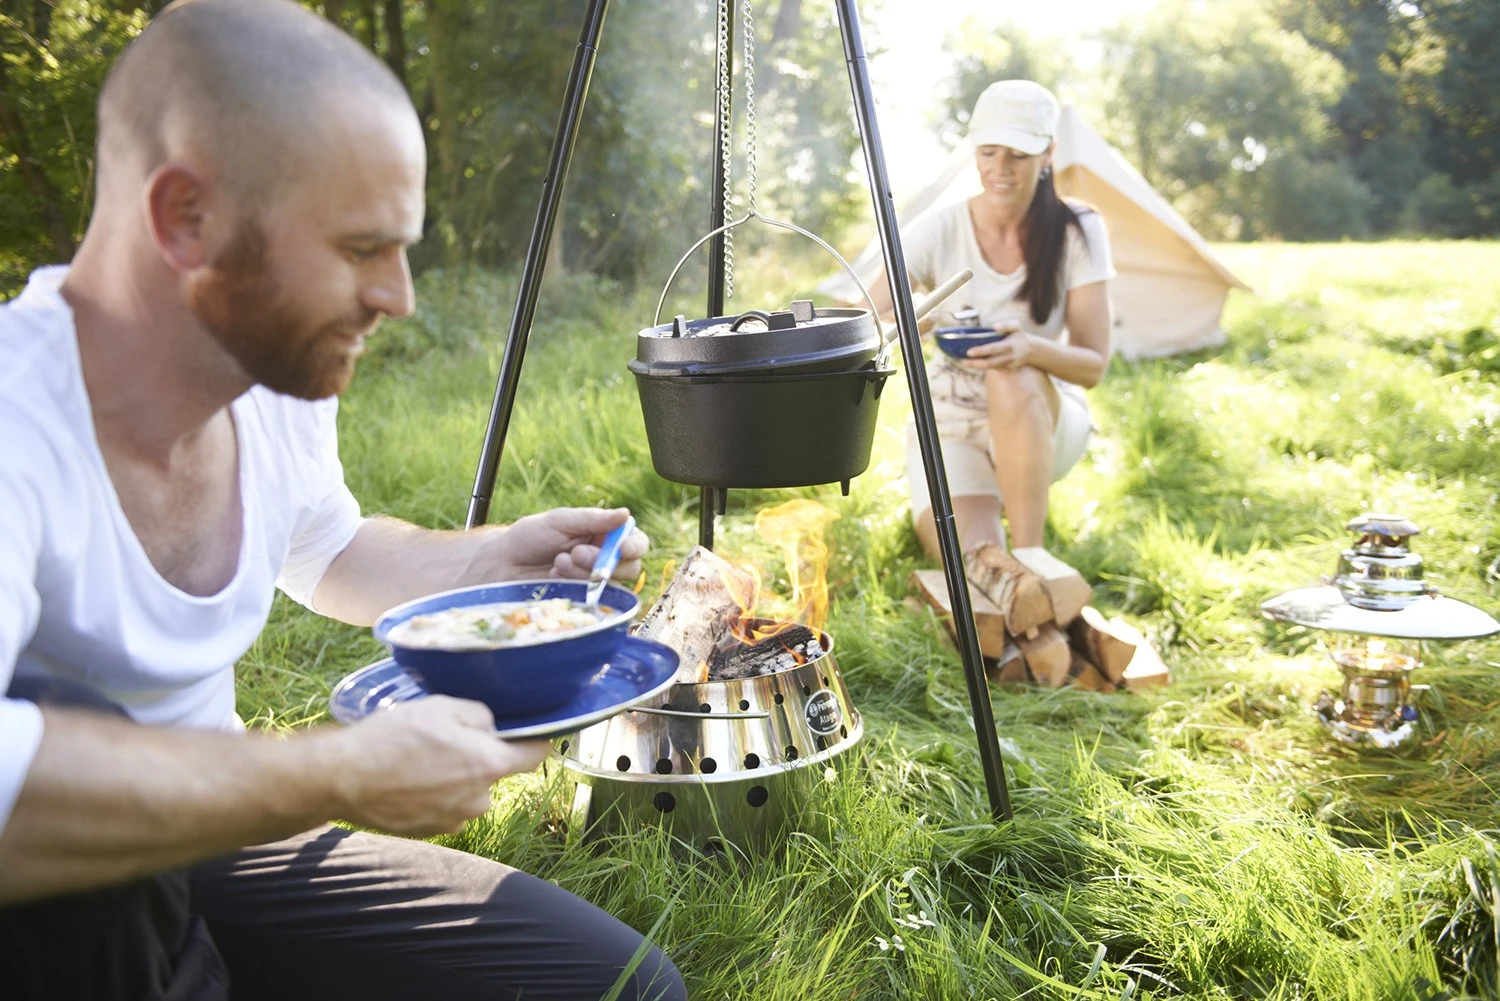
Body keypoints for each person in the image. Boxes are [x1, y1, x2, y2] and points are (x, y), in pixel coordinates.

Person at [0, 1, 685, 998]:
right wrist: (337, 771)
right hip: (55, 882)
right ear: (186, 217)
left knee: (624, 985)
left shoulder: (269, 382)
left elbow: (329, 551)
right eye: (362, 248)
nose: (399, 296)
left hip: (222, 830)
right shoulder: (15, 420)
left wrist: (490, 565)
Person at [871, 80, 1114, 563]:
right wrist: (915, 319)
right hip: (952, 423)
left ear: (1048, 154)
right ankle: (1009, 572)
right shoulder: (940, 227)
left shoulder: (1077, 230)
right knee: (975, 564)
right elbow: (867, 319)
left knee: (1010, 373)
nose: (1000, 169)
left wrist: (1030, 349)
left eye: (1018, 155)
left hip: (1039, 420)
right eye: (988, 152)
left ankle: (1032, 554)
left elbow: (1093, 366)